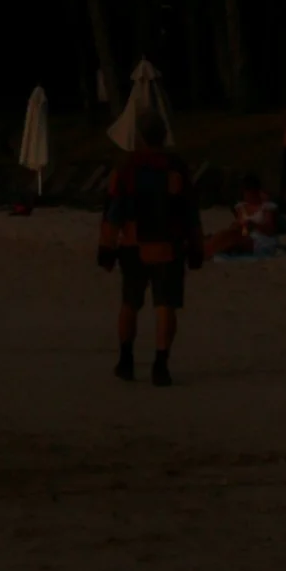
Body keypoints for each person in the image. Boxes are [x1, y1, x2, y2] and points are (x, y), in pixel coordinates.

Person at [97, 103, 205, 383]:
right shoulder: (177, 167)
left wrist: (106, 247)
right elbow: (190, 212)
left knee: (129, 303)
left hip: (133, 245)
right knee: (165, 305)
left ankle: (126, 359)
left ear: (141, 136)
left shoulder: (127, 168)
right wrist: (196, 246)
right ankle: (160, 364)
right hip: (168, 246)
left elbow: (114, 211)